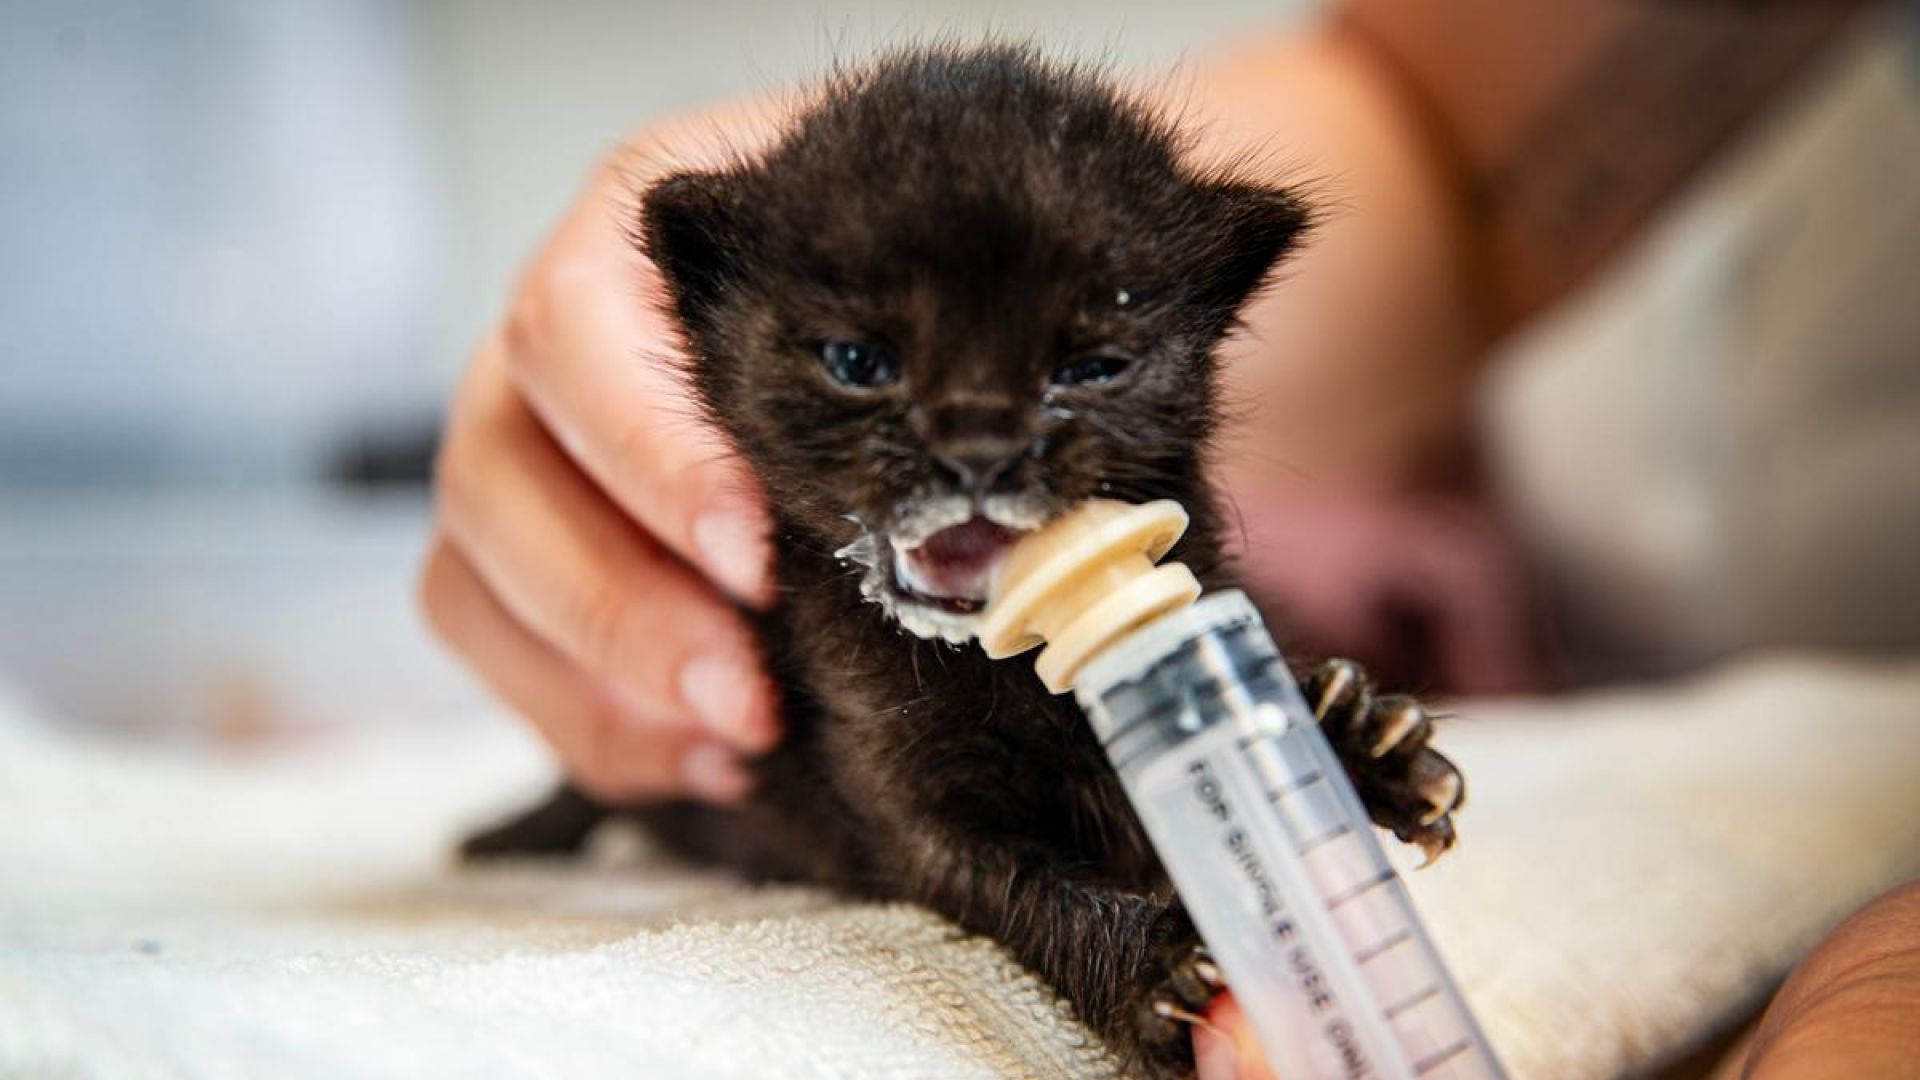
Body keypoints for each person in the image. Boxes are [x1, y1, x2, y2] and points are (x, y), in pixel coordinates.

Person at [418, 2, 1919, 1076]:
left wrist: (1302, 751)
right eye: (863, 365)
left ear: (1208, 320)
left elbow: (1168, 746)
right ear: (700, 299)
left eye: (1082, 367)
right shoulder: (804, 576)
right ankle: (575, 795)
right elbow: (935, 829)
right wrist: (1118, 955)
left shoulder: (1162, 537)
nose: (982, 444)